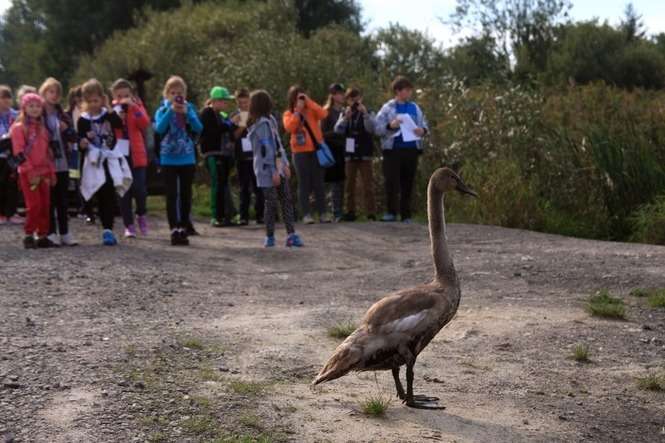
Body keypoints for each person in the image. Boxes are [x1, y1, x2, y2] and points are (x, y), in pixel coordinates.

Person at [248, 90, 303, 248]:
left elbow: (278, 144)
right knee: (271, 203)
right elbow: (266, 150)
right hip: (266, 170)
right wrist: (273, 172)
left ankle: (291, 235)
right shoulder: (260, 125)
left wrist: (285, 164)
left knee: (286, 200)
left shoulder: (270, 120)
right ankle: (269, 236)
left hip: (278, 167)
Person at [154, 76, 203, 246]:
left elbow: (199, 128)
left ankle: (183, 227)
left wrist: (188, 113)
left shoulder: (190, 108)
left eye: (179, 93)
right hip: (168, 158)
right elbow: (159, 128)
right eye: (173, 92)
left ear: (184, 94)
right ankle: (173, 229)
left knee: (185, 194)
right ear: (167, 94)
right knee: (172, 195)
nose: (176, 96)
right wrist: (171, 111)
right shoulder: (162, 110)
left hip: (187, 157)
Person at [77, 78, 125, 246]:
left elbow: (119, 124)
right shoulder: (83, 119)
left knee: (108, 194)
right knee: (94, 191)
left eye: (96, 100)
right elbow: (80, 140)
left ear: (102, 98)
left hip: (108, 160)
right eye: (89, 101)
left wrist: (109, 109)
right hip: (93, 162)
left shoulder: (107, 115)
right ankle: (90, 212)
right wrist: (82, 142)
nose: (93, 104)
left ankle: (107, 229)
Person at [375, 76, 429, 223]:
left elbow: (424, 124)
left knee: (408, 182)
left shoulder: (415, 107)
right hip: (392, 150)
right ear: (398, 91)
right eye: (407, 89)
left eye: (410, 90)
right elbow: (377, 128)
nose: (410, 92)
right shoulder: (387, 108)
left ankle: (406, 215)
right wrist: (390, 126)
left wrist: (422, 130)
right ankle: (391, 212)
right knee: (391, 182)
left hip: (411, 150)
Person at [10, 93, 55, 249]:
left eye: (38, 106)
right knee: (34, 204)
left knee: (45, 204)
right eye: (31, 106)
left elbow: (48, 153)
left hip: (44, 172)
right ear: (24, 108)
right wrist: (30, 172)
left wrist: (51, 172)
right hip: (28, 173)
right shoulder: (18, 128)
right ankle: (29, 234)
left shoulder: (43, 129)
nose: (35, 109)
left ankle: (42, 235)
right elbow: (19, 152)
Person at [283, 85, 330, 224]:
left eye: (302, 96)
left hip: (315, 150)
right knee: (303, 183)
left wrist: (309, 102)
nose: (301, 99)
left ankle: (323, 213)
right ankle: (306, 214)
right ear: (292, 99)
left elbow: (324, 114)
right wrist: (297, 112)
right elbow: (289, 127)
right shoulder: (288, 113)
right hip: (299, 153)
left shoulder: (311, 110)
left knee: (318, 183)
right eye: (297, 97)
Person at [110, 79, 151, 238]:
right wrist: (117, 116)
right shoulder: (112, 110)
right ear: (114, 97)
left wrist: (134, 107)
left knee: (140, 189)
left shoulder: (137, 106)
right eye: (119, 96)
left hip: (137, 155)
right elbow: (111, 129)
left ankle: (141, 214)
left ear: (131, 95)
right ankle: (129, 225)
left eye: (126, 95)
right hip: (120, 157)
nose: (123, 99)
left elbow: (145, 123)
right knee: (123, 192)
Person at [40, 77, 78, 246]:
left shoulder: (63, 114)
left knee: (62, 199)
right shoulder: (37, 114)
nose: (54, 95)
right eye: (51, 92)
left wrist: (67, 129)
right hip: (44, 163)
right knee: (48, 199)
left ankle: (65, 232)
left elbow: (74, 137)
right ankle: (50, 231)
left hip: (62, 162)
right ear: (44, 93)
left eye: (57, 92)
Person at [334, 87, 376, 222]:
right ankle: (350, 211)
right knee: (349, 185)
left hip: (365, 153)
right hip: (350, 154)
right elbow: (337, 130)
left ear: (361, 99)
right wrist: (345, 118)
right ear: (348, 101)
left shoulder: (369, 112)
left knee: (368, 185)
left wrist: (365, 114)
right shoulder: (344, 113)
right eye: (352, 100)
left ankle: (371, 212)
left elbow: (372, 129)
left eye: (357, 99)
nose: (355, 102)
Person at [199, 86, 236, 227]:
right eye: (223, 101)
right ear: (214, 101)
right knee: (217, 183)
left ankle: (226, 215)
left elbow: (228, 131)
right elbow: (214, 131)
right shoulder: (207, 113)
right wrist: (229, 124)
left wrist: (231, 125)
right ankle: (215, 216)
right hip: (212, 154)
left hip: (224, 154)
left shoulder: (222, 115)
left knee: (223, 184)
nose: (226, 104)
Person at [231, 88, 264, 225]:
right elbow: (234, 136)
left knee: (259, 186)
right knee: (244, 187)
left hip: (256, 156)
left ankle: (260, 215)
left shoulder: (257, 115)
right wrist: (241, 125)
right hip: (242, 158)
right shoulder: (234, 116)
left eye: (246, 102)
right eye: (241, 103)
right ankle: (243, 216)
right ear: (237, 103)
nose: (243, 105)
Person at [321, 83, 347, 222]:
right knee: (331, 182)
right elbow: (322, 134)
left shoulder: (344, 111)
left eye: (343, 93)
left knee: (340, 182)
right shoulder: (326, 112)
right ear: (333, 95)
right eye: (339, 93)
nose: (342, 96)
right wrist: (337, 132)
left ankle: (339, 211)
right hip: (330, 150)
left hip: (342, 150)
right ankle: (330, 212)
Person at [0, 85, 20, 225]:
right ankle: (1, 213)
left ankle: (11, 213)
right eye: (3, 97)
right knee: (1, 183)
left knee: (12, 184)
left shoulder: (16, 114)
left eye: (8, 97)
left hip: (13, 154)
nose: (6, 100)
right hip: (0, 154)